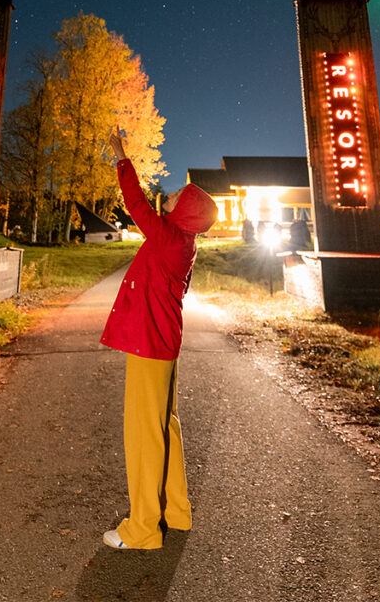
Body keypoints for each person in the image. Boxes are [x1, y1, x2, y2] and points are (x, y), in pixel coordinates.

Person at [100, 128, 218, 550]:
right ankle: (175, 511)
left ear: (184, 211)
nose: (167, 198)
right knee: (164, 425)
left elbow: (134, 204)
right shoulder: (182, 241)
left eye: (175, 198)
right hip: (163, 342)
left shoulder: (168, 237)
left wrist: (121, 157)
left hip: (151, 343)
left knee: (144, 433)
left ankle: (144, 528)